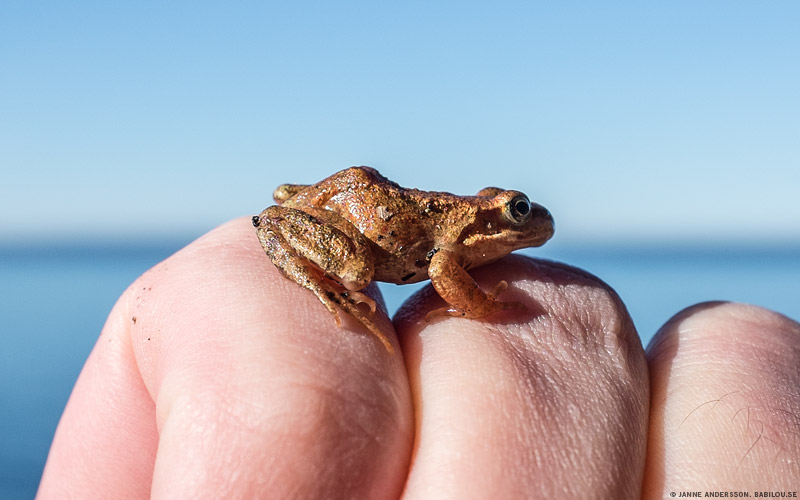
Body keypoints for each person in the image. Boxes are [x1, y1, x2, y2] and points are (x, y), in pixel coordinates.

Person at [37, 218, 800, 499]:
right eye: (512, 216)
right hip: (353, 232)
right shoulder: (455, 244)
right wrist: (480, 309)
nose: (527, 228)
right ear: (485, 219)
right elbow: (442, 273)